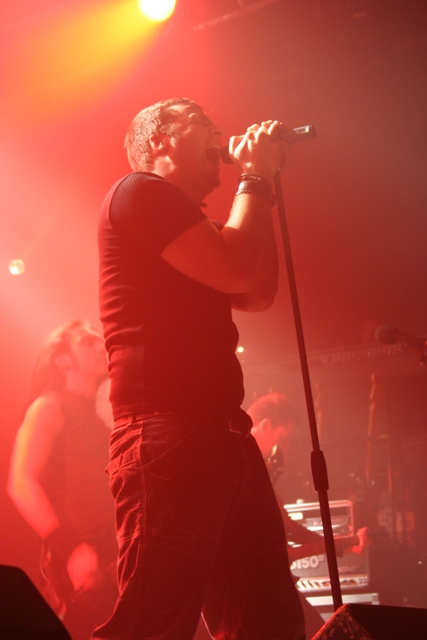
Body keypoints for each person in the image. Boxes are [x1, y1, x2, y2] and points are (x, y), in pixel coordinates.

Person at [94, 97, 305, 639]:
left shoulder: (202, 230)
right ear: (159, 141)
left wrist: (261, 188)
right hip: (166, 433)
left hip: (224, 436)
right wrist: (254, 177)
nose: (219, 131)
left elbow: (256, 291)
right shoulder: (138, 192)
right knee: (155, 621)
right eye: (200, 123)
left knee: (267, 622)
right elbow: (237, 270)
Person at [7, 320, 118, 640]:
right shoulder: (48, 406)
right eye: (88, 342)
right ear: (62, 359)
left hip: (110, 558)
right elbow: (21, 482)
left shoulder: (96, 420)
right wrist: (71, 549)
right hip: (82, 562)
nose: (102, 346)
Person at [247, 391, 371, 637]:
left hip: (259, 583)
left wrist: (345, 545)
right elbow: (291, 530)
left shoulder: (251, 467)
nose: (286, 448)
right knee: (316, 630)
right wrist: (348, 544)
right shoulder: (247, 467)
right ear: (266, 425)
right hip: (254, 587)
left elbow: (288, 528)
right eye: (285, 438)